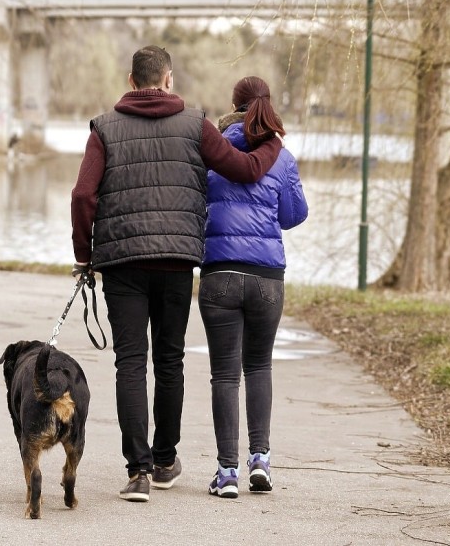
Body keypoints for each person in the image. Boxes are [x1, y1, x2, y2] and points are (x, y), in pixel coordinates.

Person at [70, 47, 284, 502]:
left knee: (130, 362)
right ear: (168, 80)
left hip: (122, 263)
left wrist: (84, 257)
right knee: (169, 361)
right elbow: (244, 169)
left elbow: (83, 197)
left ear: (131, 80)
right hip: (175, 261)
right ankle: (165, 461)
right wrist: (272, 144)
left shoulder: (104, 128)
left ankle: (138, 473)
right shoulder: (195, 124)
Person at [198, 76, 308, 499]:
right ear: (267, 105)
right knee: (259, 367)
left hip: (220, 274)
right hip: (267, 279)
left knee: (224, 374)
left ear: (233, 106)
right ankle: (259, 460)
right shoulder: (283, 156)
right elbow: (293, 215)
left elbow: (195, 202)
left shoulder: (212, 150)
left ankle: (227, 473)